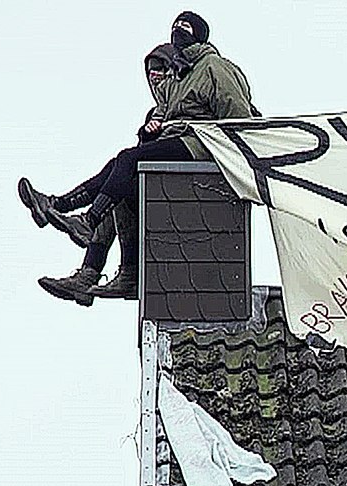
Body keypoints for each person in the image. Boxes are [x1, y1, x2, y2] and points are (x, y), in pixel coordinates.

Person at [18, 11, 257, 304]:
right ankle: (100, 267)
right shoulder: (181, 77)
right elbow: (165, 125)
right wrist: (150, 131)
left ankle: (82, 218)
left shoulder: (213, 68)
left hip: (204, 150)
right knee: (122, 179)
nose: (155, 75)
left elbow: (239, 122)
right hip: (182, 150)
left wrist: (228, 158)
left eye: (184, 28)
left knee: (127, 161)